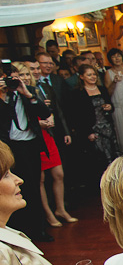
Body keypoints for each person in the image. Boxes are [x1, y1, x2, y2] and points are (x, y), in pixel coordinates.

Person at [12, 63, 76, 229]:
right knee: (39, 179)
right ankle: (47, 214)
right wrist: (38, 123)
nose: (26, 77)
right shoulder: (14, 94)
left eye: (28, 74)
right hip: (33, 137)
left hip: (48, 136)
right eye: (22, 74)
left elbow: (53, 110)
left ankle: (60, 209)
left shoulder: (37, 89)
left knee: (59, 174)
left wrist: (50, 118)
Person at [2, 64, 54, 241]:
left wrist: (28, 94)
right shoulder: (2, 96)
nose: (15, 81)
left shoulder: (28, 91)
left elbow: (45, 113)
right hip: (11, 147)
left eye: (17, 77)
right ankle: (18, 230)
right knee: (13, 189)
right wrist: (3, 96)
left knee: (34, 187)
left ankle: (39, 229)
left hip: (31, 144)